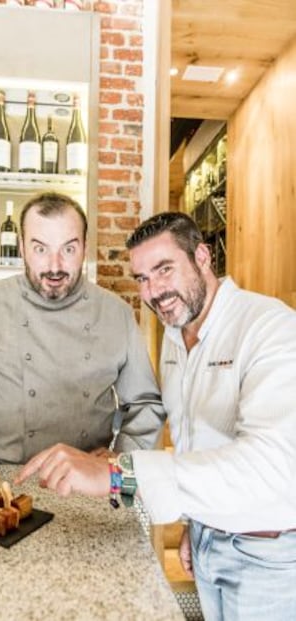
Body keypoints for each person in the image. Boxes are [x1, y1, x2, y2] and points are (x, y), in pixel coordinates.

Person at [17, 211, 296, 621]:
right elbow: (194, 445)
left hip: (269, 557)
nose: (154, 291)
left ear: (202, 257)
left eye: (164, 269)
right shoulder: (173, 334)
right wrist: (195, 523)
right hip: (206, 540)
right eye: (143, 278)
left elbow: (275, 467)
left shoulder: (272, 328)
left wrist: (117, 473)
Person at [0, 192, 165, 464]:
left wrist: (118, 460)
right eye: (40, 248)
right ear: (21, 247)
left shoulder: (116, 314)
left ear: (85, 247)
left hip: (83, 479)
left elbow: (144, 403)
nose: (55, 266)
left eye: (68, 249)